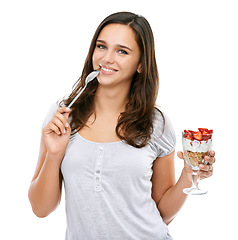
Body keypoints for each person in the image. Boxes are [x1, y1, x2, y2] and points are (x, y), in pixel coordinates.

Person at [28, 12, 215, 240]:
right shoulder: (62, 115)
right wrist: (54, 155)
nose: (106, 58)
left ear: (140, 64)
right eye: (101, 46)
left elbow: (162, 213)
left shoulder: (156, 123)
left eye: (122, 51)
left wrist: (188, 175)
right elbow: (40, 209)